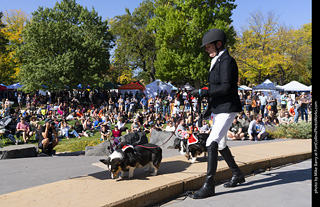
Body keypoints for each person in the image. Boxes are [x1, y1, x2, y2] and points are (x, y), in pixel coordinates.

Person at [189, 28, 244, 199]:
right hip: (219, 108)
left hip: (228, 107)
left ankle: (209, 186)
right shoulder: (217, 60)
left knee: (212, 141)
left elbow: (227, 87)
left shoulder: (227, 61)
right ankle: (237, 174)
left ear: (218, 44)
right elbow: (217, 87)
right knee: (220, 144)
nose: (206, 49)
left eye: (208, 46)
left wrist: (204, 92)